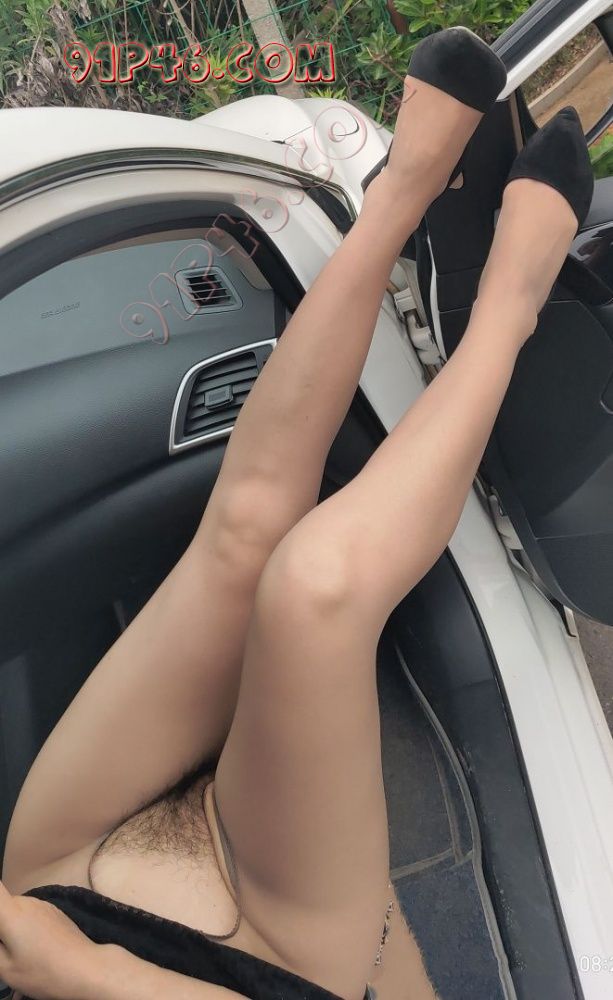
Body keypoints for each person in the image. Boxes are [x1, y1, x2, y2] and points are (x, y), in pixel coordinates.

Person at [0, 25, 593, 1000]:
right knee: (312, 592)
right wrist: (82, 975)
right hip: (259, 959)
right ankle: (510, 304)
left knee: (241, 531)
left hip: (59, 874)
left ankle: (396, 197)